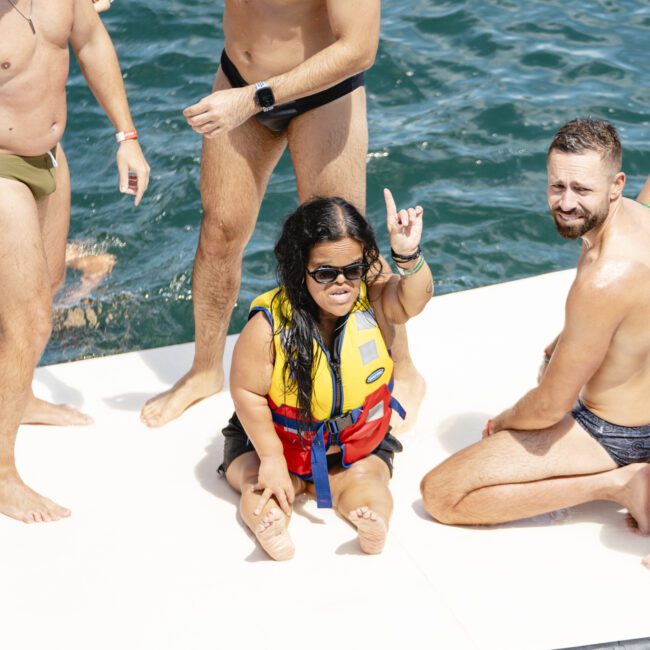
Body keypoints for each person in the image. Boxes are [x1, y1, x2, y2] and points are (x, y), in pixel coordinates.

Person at [141, 0, 426, 429]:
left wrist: (256, 99)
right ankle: (203, 371)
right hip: (238, 81)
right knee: (219, 232)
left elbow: (359, 48)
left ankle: (402, 367)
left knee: (344, 241)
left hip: (321, 96)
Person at [420, 119, 650, 565]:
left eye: (582, 190)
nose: (565, 203)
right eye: (556, 186)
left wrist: (502, 422)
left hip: (619, 434)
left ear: (616, 185)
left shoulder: (602, 279)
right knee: (557, 356)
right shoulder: (642, 213)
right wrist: (568, 337)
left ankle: (620, 483)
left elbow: (550, 407)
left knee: (442, 494)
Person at [0, 0, 150, 523]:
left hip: (49, 156)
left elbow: (90, 41)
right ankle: (2, 476)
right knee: (28, 319)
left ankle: (19, 398)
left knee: (49, 283)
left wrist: (125, 136)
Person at [222, 190, 432, 560]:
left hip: (354, 443)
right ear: (299, 268)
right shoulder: (267, 327)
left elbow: (416, 298)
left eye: (353, 270)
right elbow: (246, 392)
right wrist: (271, 458)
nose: (341, 283)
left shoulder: (376, 301)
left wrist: (408, 255)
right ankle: (268, 524)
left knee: (370, 484)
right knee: (258, 484)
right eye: (325, 272)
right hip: (276, 445)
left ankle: (372, 521)